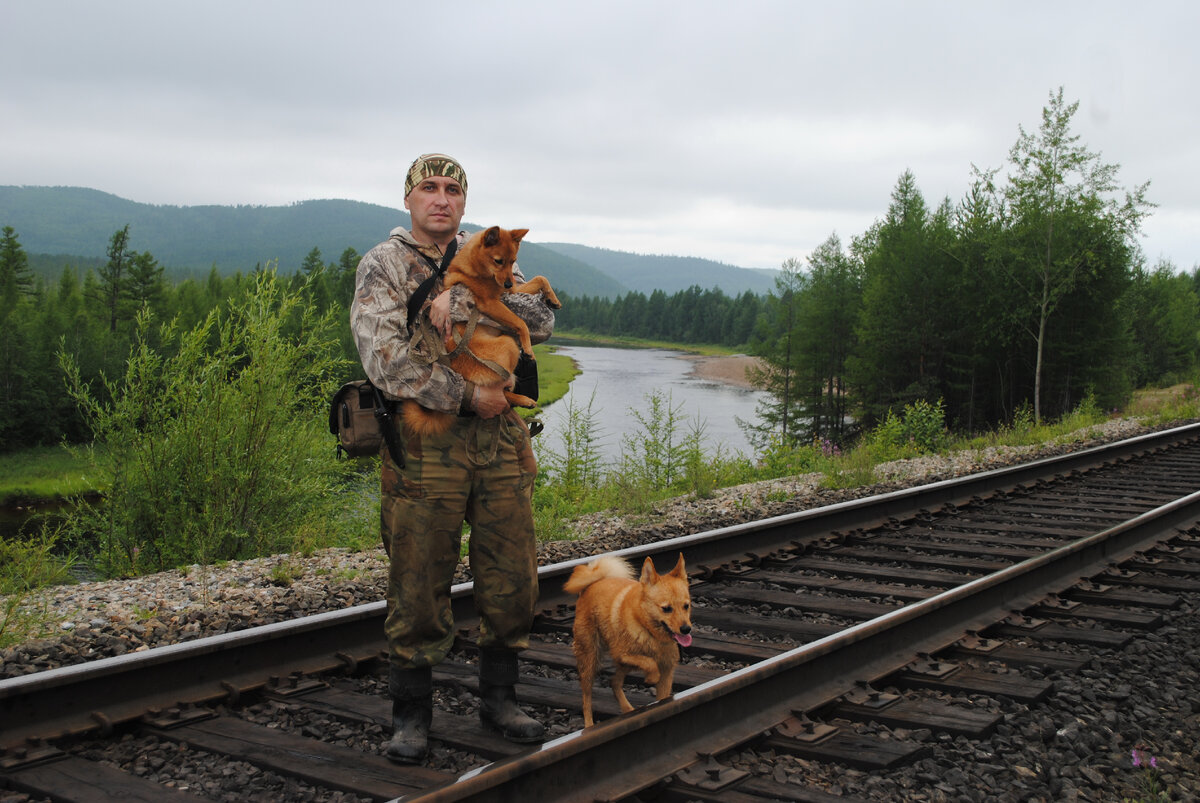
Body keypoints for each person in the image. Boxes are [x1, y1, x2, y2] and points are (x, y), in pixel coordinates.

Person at [350, 153, 552, 764]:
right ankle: (411, 714)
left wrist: (458, 301)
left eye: (452, 190)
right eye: (429, 189)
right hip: (426, 442)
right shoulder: (382, 265)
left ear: (464, 203)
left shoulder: (489, 251)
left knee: (512, 575)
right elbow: (384, 359)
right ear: (408, 199)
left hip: (499, 447)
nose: (441, 199)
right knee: (418, 580)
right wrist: (470, 395)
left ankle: (500, 700)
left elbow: (537, 321)